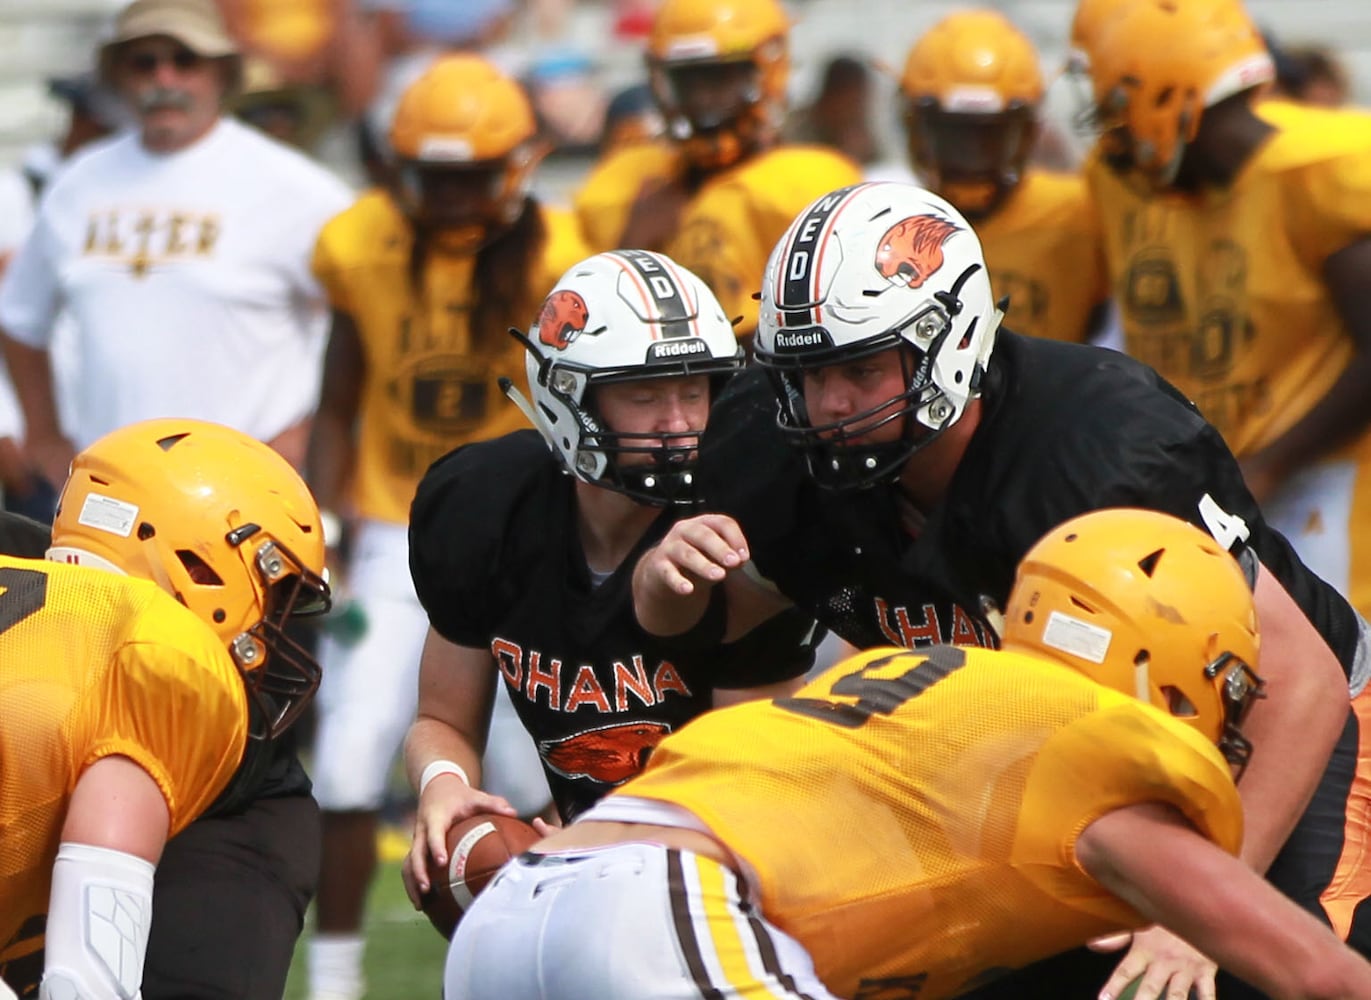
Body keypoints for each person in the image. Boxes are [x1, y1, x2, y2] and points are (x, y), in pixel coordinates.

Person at [632, 180, 1370, 1000]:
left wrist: (1197, 912)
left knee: (1258, 974)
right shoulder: (769, 446)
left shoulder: (1096, 452)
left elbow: (1299, 681)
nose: (826, 403)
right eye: (804, 372)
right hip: (1034, 749)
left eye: (860, 367)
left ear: (953, 344)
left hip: (1253, 725)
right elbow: (745, 626)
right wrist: (668, 589)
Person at [447, 508, 1371, 1000]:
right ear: (1164, 660)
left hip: (513, 918)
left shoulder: (921, 679)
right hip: (660, 918)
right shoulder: (1085, 754)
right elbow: (1318, 976)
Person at [401, 249, 824, 910]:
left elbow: (746, 783)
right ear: (567, 396)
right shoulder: (488, 507)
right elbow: (439, 719)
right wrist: (444, 783)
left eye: (694, 391)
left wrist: (587, 842)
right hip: (603, 849)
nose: (679, 422)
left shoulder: (748, 518)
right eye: (644, 394)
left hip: (750, 866)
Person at [303, 52, 585, 1000]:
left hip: (521, 536)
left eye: (473, 174)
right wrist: (329, 531)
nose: (456, 195)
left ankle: (549, 955)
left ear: (514, 166)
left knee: (542, 765)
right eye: (438, 174)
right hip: (390, 531)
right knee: (346, 757)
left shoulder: (558, 254)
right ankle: (335, 979)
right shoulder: (361, 240)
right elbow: (337, 398)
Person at [0, 417, 330, 998]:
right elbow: (87, 985)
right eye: (273, 591)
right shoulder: (163, 659)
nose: (272, 630)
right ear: (199, 570)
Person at [1084, 0, 1371, 633]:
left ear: (1168, 100)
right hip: (1224, 480)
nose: (1116, 138)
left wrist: (1270, 463)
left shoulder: (1318, 173)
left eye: (1121, 112)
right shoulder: (1156, 192)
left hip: (1324, 486)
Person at [0, 0, 353, 492]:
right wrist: (43, 434)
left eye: (185, 60)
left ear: (223, 73)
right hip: (111, 489)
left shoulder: (298, 188)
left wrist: (308, 431)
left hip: (246, 489)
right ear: (119, 77)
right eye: (144, 63)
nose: (164, 78)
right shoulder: (78, 181)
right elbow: (19, 318)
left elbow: (366, 316)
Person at [573, 0, 862, 341]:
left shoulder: (810, 181)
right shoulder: (630, 179)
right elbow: (588, 330)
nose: (704, 100)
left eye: (720, 79)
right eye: (688, 81)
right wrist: (630, 247)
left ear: (769, 71)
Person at [897, 9, 1109, 344]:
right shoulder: (893, 221)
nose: (971, 156)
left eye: (990, 136)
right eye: (954, 133)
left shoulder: (1079, 211)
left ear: (1027, 131)